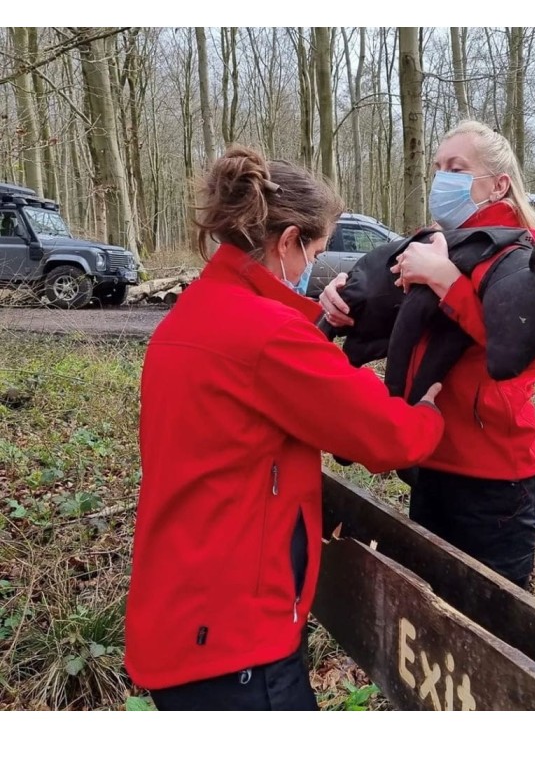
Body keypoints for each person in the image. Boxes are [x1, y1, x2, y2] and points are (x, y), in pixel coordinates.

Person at [124, 145, 445, 711]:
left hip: (179, 612)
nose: (313, 270)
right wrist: (429, 414)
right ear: (288, 240)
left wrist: (318, 324)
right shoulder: (267, 337)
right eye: (315, 252)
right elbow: (384, 436)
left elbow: (271, 384)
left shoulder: (196, 313)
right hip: (233, 641)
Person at [320, 120, 535, 591]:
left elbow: (519, 350)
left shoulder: (529, 254)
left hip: (494, 478)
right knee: (431, 618)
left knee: (492, 630)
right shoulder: (435, 242)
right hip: (429, 460)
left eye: (457, 168)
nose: (443, 179)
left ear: (499, 184)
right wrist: (341, 299)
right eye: (438, 168)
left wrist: (446, 282)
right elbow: (385, 314)